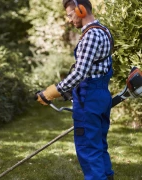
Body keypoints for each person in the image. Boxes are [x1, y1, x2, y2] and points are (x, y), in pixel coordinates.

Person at [36, 0, 114, 179]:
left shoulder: (91, 35)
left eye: (71, 15)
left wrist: (52, 92)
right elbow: (96, 68)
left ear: (81, 10)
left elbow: (80, 72)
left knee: (88, 148)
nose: (70, 20)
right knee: (99, 145)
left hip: (90, 98)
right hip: (101, 94)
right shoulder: (104, 31)